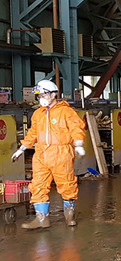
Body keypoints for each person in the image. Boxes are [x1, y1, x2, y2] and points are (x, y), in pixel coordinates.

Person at [12, 80, 86, 229]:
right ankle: (41, 219)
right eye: (39, 96)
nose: (41, 98)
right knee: (38, 184)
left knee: (67, 184)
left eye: (44, 94)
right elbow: (33, 133)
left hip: (61, 152)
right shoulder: (38, 114)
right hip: (41, 153)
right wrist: (22, 148)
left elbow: (76, 127)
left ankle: (69, 215)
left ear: (54, 94)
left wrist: (78, 144)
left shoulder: (66, 111)